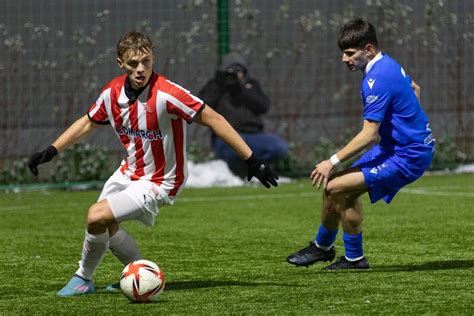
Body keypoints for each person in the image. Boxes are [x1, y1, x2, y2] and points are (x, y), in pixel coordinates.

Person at [27, 31, 278, 297]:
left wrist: (251, 159)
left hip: (161, 180)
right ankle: (141, 273)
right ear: (120, 63)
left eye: (146, 61)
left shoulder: (168, 94)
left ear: (153, 59)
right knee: (105, 226)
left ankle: (83, 278)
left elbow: (214, 118)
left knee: (95, 215)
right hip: (129, 172)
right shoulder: (111, 94)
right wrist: (52, 150)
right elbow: (88, 121)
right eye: (133, 63)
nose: (141, 69)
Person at [287, 18, 435, 270]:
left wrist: (330, 161)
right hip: (398, 147)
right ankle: (350, 257)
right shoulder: (389, 64)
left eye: (349, 53)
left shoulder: (376, 79)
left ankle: (325, 249)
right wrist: (413, 122)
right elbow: (414, 88)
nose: (344, 59)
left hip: (408, 155)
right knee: (338, 190)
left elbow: (368, 135)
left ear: (368, 50)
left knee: (334, 185)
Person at [198, 53, 288, 174]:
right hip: (226, 137)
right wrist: (220, 86)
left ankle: (254, 170)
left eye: (237, 71)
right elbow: (200, 107)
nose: (233, 76)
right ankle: (237, 173)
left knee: (279, 147)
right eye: (230, 72)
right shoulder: (215, 86)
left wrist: (242, 89)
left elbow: (263, 106)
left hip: (254, 135)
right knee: (232, 151)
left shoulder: (250, 85)